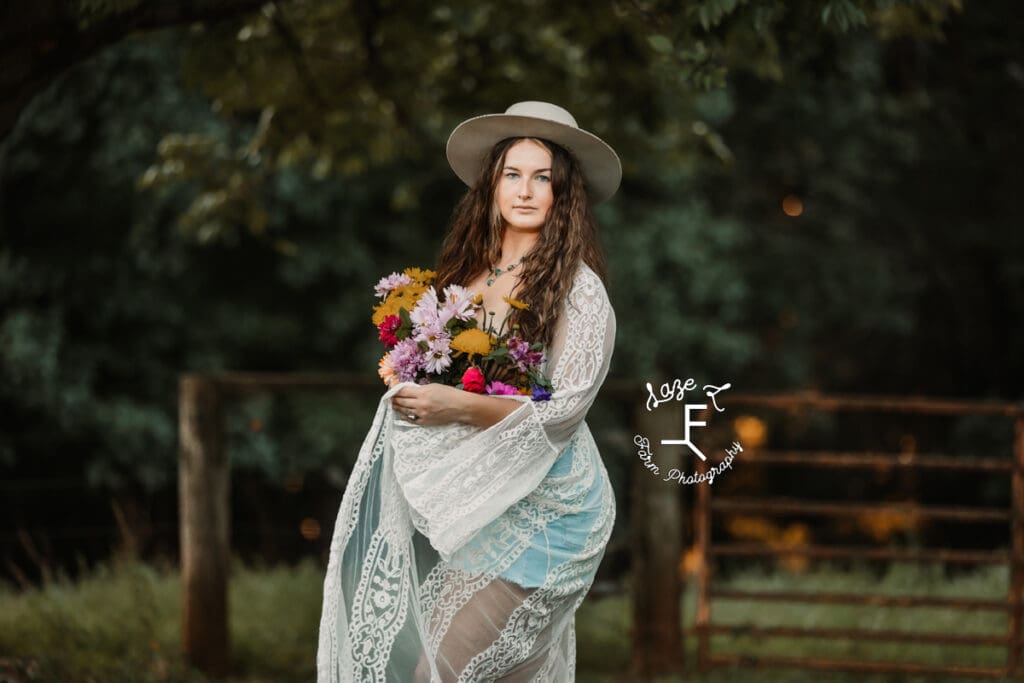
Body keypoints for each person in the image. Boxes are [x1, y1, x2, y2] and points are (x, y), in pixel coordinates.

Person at [317, 101, 620, 682]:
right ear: (492, 184)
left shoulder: (580, 292)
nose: (526, 191)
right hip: (489, 497)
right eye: (513, 174)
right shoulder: (469, 274)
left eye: (543, 177)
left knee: (445, 670)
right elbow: (447, 370)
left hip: (554, 508)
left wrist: (455, 405)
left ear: (564, 192)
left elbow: (562, 414)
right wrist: (409, 380)